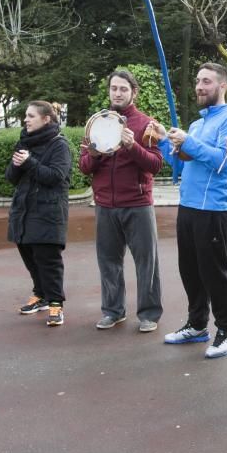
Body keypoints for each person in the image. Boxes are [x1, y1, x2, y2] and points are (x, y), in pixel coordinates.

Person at [160, 63, 227, 358]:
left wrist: (189, 142)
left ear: (222, 85)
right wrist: (163, 140)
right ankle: (197, 325)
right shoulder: (197, 125)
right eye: (197, 80)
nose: (199, 86)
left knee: (214, 272)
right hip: (188, 206)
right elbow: (181, 165)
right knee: (190, 270)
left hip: (214, 209)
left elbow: (222, 164)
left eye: (206, 81)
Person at [78, 70, 165, 333]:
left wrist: (132, 147)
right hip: (105, 204)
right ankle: (113, 311)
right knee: (108, 261)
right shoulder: (96, 123)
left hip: (138, 203)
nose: (118, 93)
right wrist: (93, 154)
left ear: (133, 92)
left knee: (146, 261)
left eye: (123, 89)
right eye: (114, 88)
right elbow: (84, 167)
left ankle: (149, 314)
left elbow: (156, 164)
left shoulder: (146, 124)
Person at [7, 101, 73, 327]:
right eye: (26, 116)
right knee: (28, 255)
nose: (26, 120)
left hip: (48, 211)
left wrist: (29, 162)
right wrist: (17, 166)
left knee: (48, 260)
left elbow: (56, 176)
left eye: (31, 116)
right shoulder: (24, 141)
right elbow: (11, 178)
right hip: (23, 211)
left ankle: (56, 304)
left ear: (46, 119)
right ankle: (40, 294)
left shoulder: (59, 145)